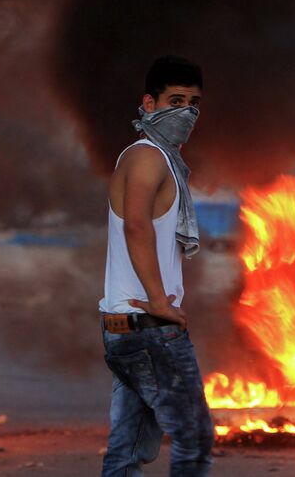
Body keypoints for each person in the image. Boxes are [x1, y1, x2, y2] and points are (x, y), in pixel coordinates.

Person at [98, 55, 214, 477]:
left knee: (128, 451)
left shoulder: (155, 159)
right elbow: (136, 225)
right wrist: (160, 301)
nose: (186, 112)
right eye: (175, 100)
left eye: (194, 103)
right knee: (195, 438)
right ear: (149, 103)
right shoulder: (147, 156)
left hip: (124, 325)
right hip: (149, 328)